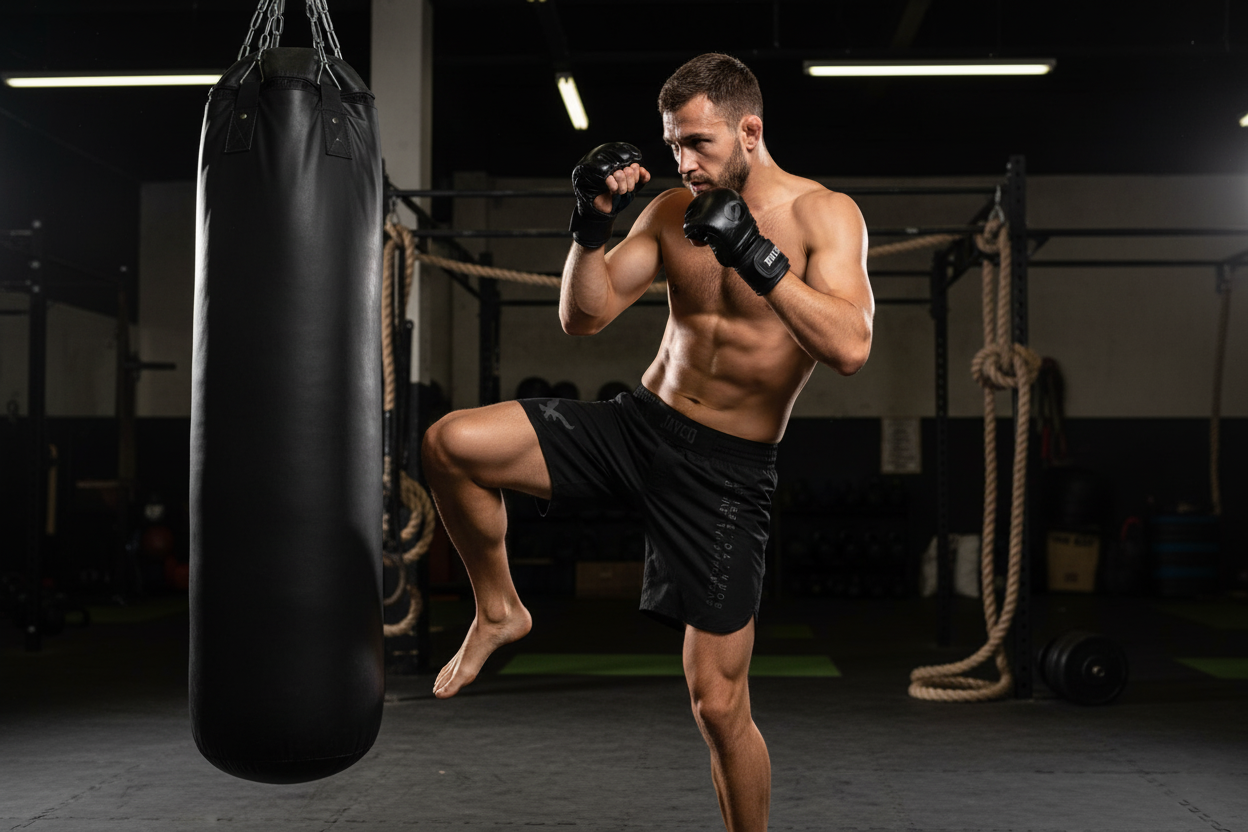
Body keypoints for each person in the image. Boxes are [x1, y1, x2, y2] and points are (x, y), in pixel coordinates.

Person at [422, 52, 874, 832]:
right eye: (673, 146)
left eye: (698, 143)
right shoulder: (671, 212)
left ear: (749, 132)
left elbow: (851, 348)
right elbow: (583, 317)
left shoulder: (824, 215)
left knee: (719, 704)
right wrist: (591, 222)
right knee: (450, 442)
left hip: (726, 473)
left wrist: (758, 260)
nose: (684, 163)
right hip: (640, 426)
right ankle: (499, 610)